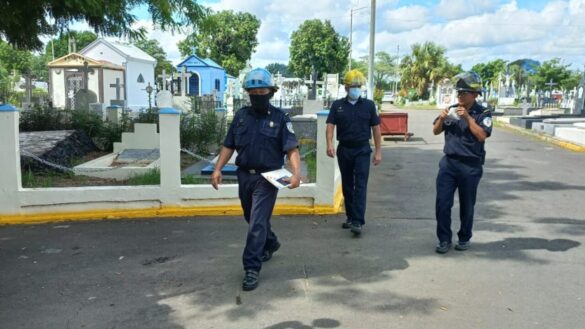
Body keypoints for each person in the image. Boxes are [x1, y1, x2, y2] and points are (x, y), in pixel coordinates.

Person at [211, 68, 301, 291]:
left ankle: (251, 267)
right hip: (245, 176)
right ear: (248, 93)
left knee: (257, 221)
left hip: (269, 178)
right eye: (253, 91)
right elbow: (229, 145)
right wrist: (217, 169)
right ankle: (270, 241)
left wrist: (296, 173)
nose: (258, 95)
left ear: (270, 93)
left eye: (262, 91)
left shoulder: (280, 118)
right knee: (250, 217)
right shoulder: (241, 116)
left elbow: (291, 148)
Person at [432, 71, 492, 254]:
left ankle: (464, 237)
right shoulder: (451, 109)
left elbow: (482, 135)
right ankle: (444, 239)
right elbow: (435, 131)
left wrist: (467, 117)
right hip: (449, 164)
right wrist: (442, 118)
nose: (460, 96)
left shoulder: (483, 113)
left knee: (467, 205)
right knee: (442, 203)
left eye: (464, 93)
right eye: (458, 93)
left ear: (475, 95)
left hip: (470, 166)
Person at [326, 69, 382, 236]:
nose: (356, 89)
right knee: (347, 185)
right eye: (353, 86)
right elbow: (330, 126)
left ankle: (358, 220)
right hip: (344, 149)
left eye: (358, 86)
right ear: (346, 87)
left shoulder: (369, 105)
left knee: (361, 185)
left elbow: (376, 129)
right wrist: (329, 144)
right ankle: (350, 217)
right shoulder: (337, 106)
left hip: (363, 149)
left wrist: (378, 151)